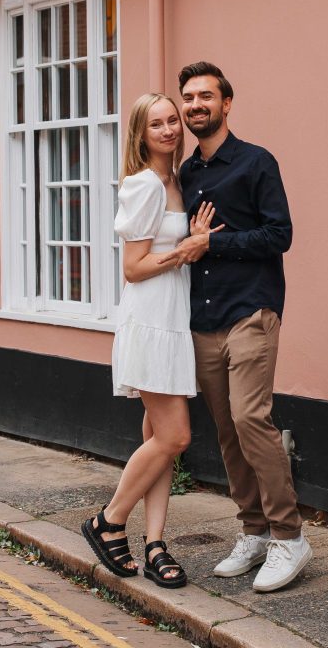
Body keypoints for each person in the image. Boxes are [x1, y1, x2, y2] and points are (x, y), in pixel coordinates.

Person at [171, 61, 312, 593]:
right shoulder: (186, 174)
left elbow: (280, 235)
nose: (195, 105)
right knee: (227, 430)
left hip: (251, 311)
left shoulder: (256, 163)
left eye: (206, 95)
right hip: (203, 318)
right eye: (188, 97)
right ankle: (253, 530)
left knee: (252, 418)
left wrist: (214, 242)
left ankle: (289, 535)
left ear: (227, 103)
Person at [82, 93, 218, 589]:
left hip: (173, 322)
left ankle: (155, 542)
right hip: (150, 323)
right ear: (141, 134)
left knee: (158, 441)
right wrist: (186, 250)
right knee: (175, 437)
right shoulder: (143, 186)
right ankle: (109, 521)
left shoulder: (176, 182)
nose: (168, 130)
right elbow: (133, 268)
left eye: (172, 122)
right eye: (156, 124)